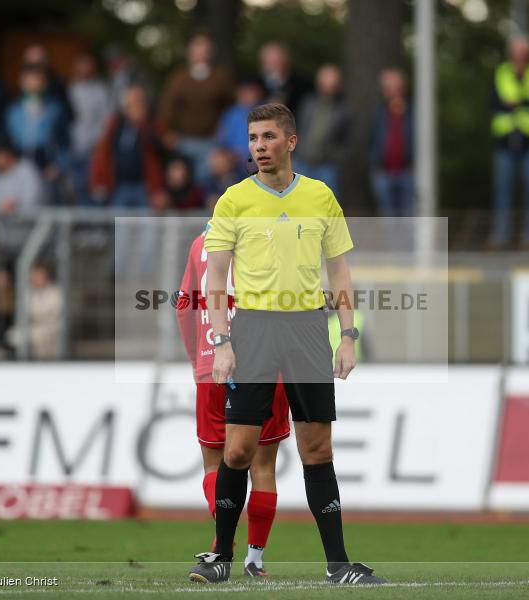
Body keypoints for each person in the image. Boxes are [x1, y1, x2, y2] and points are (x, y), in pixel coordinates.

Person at [187, 103, 384, 585]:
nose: (259, 146)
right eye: (253, 138)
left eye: (268, 137)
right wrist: (222, 341)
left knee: (317, 448)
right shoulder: (232, 201)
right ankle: (221, 558)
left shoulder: (320, 196)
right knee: (237, 450)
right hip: (253, 329)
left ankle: (338, 565)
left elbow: (338, 270)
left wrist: (348, 335)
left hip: (308, 329)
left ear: (290, 142)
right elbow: (215, 279)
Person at [175, 226, 289, 577]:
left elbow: (184, 306)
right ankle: (254, 562)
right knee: (263, 468)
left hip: (212, 363)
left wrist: (198, 360)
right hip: (265, 363)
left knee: (215, 465)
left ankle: (223, 542)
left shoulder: (199, 243)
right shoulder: (272, 237)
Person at [489, 35, 529, 249]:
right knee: (503, 190)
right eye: (517, 50)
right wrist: (528, 101)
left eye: (524, 51)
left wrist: (519, 102)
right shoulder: (501, 72)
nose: (521, 55)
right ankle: (502, 235)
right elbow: (494, 102)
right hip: (505, 141)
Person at [159, 34, 235, 184]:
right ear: (190, 52)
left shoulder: (221, 77)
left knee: (206, 180)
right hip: (184, 139)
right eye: (198, 49)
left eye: (205, 49)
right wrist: (167, 131)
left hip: (211, 141)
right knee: (183, 179)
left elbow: (231, 106)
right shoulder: (179, 77)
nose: (201, 53)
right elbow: (167, 107)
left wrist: (225, 130)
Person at [89, 85, 167, 208]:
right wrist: (99, 182)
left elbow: (159, 149)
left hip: (145, 187)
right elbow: (102, 154)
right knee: (119, 224)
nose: (133, 106)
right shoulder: (115, 125)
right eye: (130, 102)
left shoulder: (153, 124)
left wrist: (141, 124)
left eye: (138, 101)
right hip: (119, 186)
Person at [4, 65, 69, 204]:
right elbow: (7, 140)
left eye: (38, 79)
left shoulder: (55, 109)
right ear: (22, 82)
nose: (34, 83)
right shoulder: (13, 110)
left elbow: (65, 142)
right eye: (30, 79)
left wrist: (58, 166)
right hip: (20, 162)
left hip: (45, 163)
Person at [295, 64, 349, 196]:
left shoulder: (344, 110)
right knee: (299, 204)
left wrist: (335, 156)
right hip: (301, 162)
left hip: (327, 166)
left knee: (328, 206)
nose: (329, 85)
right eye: (325, 80)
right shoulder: (308, 103)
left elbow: (347, 140)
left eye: (333, 81)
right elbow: (298, 128)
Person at [68, 53, 112, 205]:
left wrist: (100, 142)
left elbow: (106, 119)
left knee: (97, 188)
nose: (85, 69)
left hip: (95, 148)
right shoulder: (69, 90)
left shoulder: (101, 90)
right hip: (75, 147)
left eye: (89, 65)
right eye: (82, 65)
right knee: (77, 187)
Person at [369, 68, 413, 217]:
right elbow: (372, 140)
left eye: (396, 87)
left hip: (408, 172)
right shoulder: (378, 112)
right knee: (388, 218)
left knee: (409, 217)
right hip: (384, 172)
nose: (392, 92)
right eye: (388, 88)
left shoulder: (414, 112)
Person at [6, 261, 63, 359]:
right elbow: (25, 312)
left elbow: (54, 313)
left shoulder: (56, 292)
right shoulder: (28, 293)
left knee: (40, 338)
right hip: (34, 327)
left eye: (38, 275)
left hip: (52, 327)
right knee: (13, 335)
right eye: (33, 275)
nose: (35, 278)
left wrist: (37, 316)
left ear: (46, 276)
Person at [215, 77, 266, 167]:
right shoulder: (231, 114)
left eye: (251, 91)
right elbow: (221, 141)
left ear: (259, 92)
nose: (247, 95)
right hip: (233, 161)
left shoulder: (269, 112)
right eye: (244, 91)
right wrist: (227, 155)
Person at [259, 42, 310, 114]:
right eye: (268, 63)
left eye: (275, 62)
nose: (271, 67)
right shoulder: (256, 85)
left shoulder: (301, 85)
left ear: (285, 62)